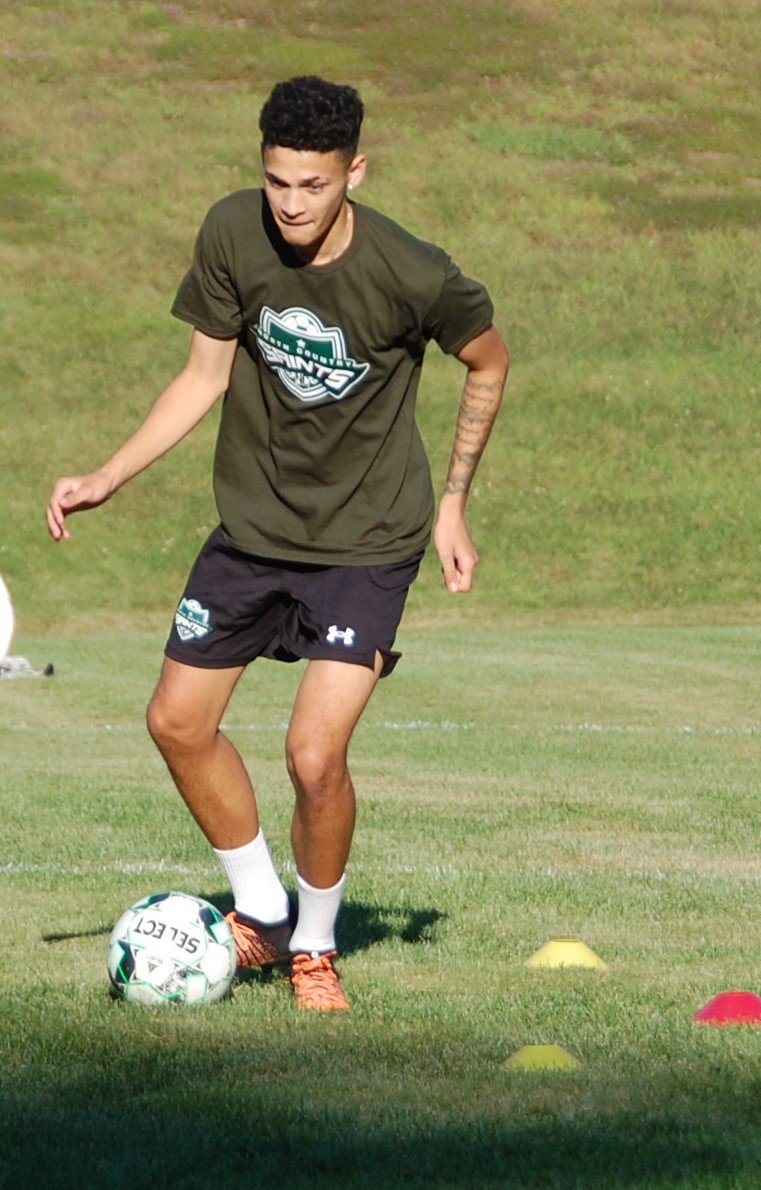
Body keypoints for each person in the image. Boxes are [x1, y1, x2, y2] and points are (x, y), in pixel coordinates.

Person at [47, 76, 507, 1011]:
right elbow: (202, 375)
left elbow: (488, 362)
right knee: (176, 722)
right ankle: (260, 910)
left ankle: (316, 947)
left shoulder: (411, 271)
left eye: (314, 185)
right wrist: (108, 473)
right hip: (253, 529)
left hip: (370, 541)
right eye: (277, 182)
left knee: (311, 754)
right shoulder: (230, 234)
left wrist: (454, 502)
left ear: (354, 174)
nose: (292, 204)